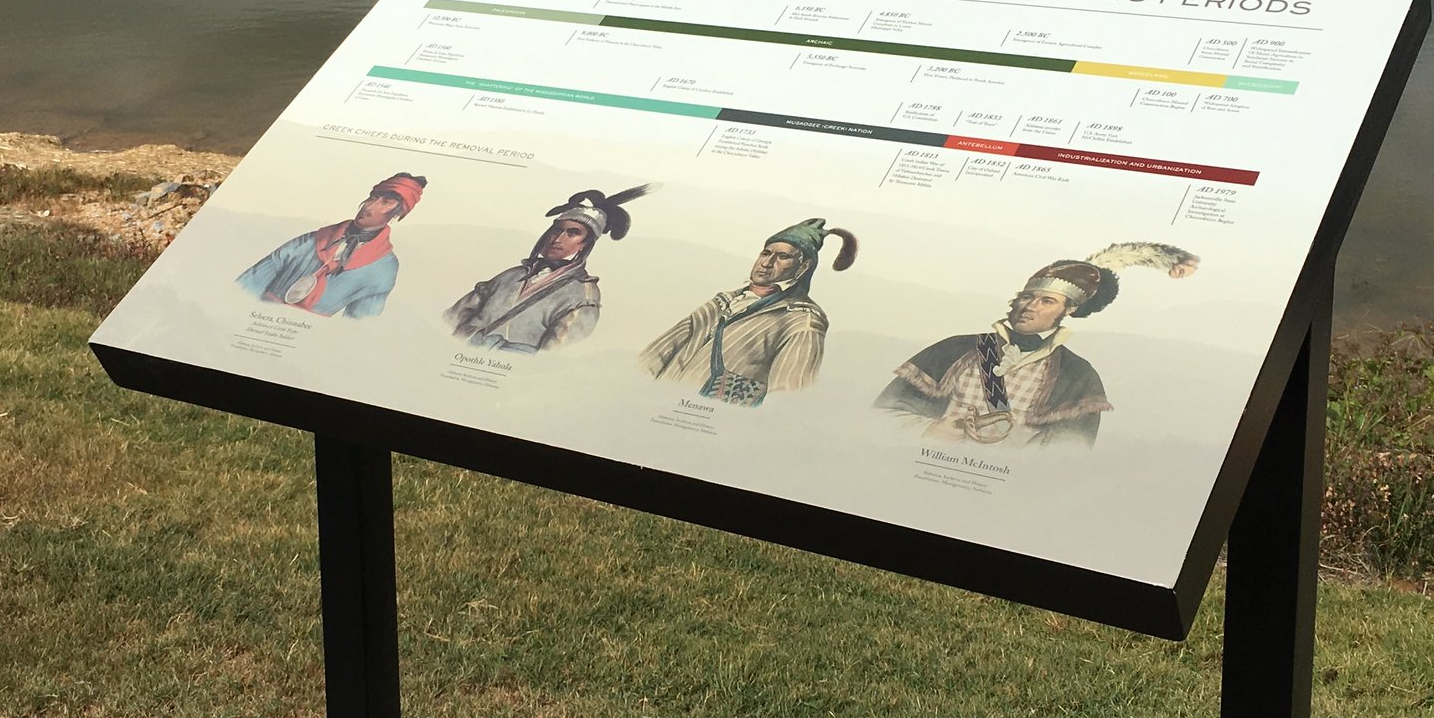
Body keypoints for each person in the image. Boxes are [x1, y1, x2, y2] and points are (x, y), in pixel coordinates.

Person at [878, 242, 1201, 447]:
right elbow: (881, 415)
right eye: (1026, 297)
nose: (1029, 307)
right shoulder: (954, 349)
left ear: (1068, 310)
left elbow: (1069, 458)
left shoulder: (1078, 375)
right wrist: (928, 429)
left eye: (1046, 301)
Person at [642, 216, 857, 406]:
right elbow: (653, 357)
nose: (767, 263)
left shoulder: (802, 320)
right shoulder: (720, 302)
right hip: (657, 405)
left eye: (782, 256)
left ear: (803, 267)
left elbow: (788, 397)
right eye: (766, 253)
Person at [445, 185, 648, 353]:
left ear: (584, 244)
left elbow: (553, 356)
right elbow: (451, 318)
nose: (558, 239)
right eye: (557, 230)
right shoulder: (510, 275)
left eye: (573, 233)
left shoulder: (583, 295)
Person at [235, 172, 427, 318]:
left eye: (386, 202)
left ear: (398, 213)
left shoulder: (383, 268)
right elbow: (247, 286)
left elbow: (358, 329)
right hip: (256, 317)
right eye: (372, 198)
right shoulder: (311, 240)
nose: (368, 207)